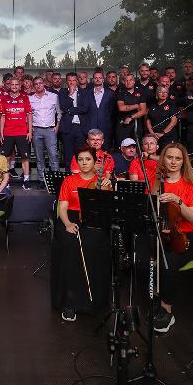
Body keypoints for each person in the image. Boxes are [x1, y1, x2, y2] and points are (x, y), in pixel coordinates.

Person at [150, 142, 193, 333]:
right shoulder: (157, 182)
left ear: (184, 162)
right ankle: (156, 296)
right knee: (145, 258)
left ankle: (167, 310)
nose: (173, 162)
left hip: (185, 238)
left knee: (167, 262)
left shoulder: (191, 185)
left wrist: (177, 200)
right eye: (169, 157)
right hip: (162, 234)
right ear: (163, 159)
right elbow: (150, 210)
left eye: (178, 158)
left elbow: (191, 217)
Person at [52, 146, 112, 321]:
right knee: (70, 244)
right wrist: (67, 224)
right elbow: (62, 208)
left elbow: (106, 208)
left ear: (94, 162)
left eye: (88, 159)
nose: (84, 163)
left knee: (93, 244)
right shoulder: (69, 181)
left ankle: (95, 301)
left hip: (93, 218)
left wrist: (107, 189)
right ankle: (69, 302)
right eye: (81, 159)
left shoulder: (102, 182)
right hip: (71, 217)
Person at [0, 77, 34, 189]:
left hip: (22, 132)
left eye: (16, 84)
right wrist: (1, 133)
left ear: (20, 86)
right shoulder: (4, 98)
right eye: (12, 84)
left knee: (25, 158)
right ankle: (6, 181)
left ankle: (26, 180)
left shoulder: (24, 98)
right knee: (6, 158)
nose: (14, 86)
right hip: (8, 132)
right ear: (9, 86)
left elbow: (29, 115)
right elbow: (3, 117)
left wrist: (29, 131)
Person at [29, 76, 60, 187]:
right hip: (36, 130)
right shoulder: (30, 99)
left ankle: (55, 179)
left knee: (53, 155)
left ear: (44, 84)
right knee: (39, 157)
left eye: (40, 83)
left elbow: (59, 112)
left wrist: (57, 126)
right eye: (36, 84)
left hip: (50, 130)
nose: (38, 85)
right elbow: (28, 115)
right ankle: (41, 180)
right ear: (34, 86)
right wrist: (30, 128)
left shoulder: (54, 96)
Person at [58, 72, 91, 169]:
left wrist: (70, 110)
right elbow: (63, 107)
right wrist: (70, 94)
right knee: (68, 154)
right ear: (66, 81)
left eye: (74, 80)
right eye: (69, 80)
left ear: (77, 81)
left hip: (80, 128)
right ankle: (69, 175)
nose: (72, 82)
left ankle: (80, 174)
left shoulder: (84, 92)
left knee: (80, 154)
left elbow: (85, 108)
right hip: (67, 128)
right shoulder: (62, 92)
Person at [81, 69, 115, 150]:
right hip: (90, 126)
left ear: (103, 79)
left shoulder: (110, 93)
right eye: (96, 78)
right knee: (90, 150)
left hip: (105, 126)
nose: (98, 79)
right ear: (93, 80)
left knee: (105, 149)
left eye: (100, 78)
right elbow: (84, 110)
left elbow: (112, 110)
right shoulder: (86, 93)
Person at [115, 72, 146, 144]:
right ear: (123, 82)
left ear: (134, 81)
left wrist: (131, 117)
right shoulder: (120, 93)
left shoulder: (140, 93)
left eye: (130, 80)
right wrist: (136, 106)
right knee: (123, 145)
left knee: (137, 145)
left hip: (137, 124)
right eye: (126, 80)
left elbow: (143, 111)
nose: (128, 82)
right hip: (123, 124)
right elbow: (121, 108)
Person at [145, 85, 178, 149]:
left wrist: (162, 133)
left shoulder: (171, 105)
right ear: (157, 93)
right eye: (161, 92)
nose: (163, 94)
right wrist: (152, 134)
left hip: (168, 136)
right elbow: (148, 121)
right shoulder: (152, 106)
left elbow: (174, 121)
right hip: (155, 137)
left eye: (165, 92)